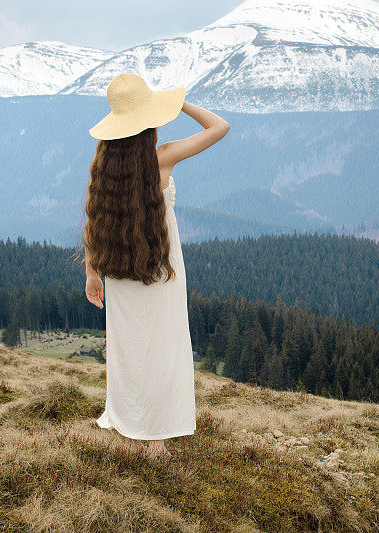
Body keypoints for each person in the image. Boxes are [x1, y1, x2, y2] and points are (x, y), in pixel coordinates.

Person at [79, 73, 229, 461]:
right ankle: (156, 441)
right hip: (159, 269)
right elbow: (220, 127)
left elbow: (94, 220)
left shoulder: (104, 164)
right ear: (148, 117)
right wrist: (178, 102)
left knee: (128, 350)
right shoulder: (162, 157)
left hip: (118, 270)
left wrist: (92, 273)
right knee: (163, 350)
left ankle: (130, 429)